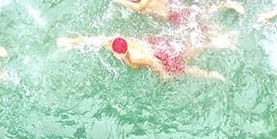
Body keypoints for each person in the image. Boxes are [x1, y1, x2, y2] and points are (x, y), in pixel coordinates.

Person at [56, 35, 231, 81]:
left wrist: (164, 77)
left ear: (124, 51)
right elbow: (93, 39)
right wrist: (71, 41)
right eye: (117, 53)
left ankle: (210, 74)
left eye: (120, 54)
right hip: (154, 45)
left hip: (156, 55)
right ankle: (211, 43)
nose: (118, 56)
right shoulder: (112, 42)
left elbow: (154, 62)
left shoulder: (136, 58)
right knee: (183, 52)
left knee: (182, 69)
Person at [107, 0, 242, 28]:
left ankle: (225, 5)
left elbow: (137, 8)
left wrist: (118, 0)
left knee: (200, 23)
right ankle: (224, 5)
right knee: (199, 13)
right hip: (173, 6)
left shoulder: (143, 2)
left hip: (174, 15)